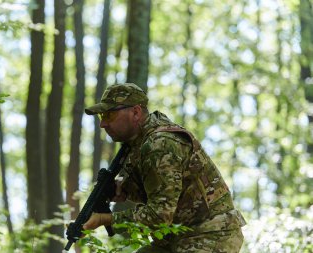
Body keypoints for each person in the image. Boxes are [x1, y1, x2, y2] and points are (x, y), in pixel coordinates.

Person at [83, 83, 246, 252]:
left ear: (136, 112)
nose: (103, 124)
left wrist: (105, 219)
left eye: (109, 115)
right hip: (177, 235)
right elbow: (157, 188)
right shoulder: (137, 143)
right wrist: (121, 189)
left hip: (211, 233)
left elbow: (159, 216)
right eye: (102, 115)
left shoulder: (160, 144)